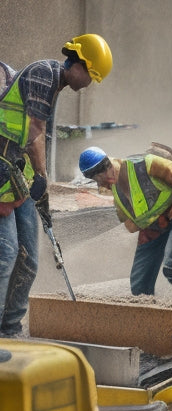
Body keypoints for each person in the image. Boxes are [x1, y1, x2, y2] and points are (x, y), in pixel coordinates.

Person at [0, 33, 112, 337]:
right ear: (80, 64)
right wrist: (41, 176)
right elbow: (35, 130)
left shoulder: (54, 83)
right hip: (2, 167)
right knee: (7, 254)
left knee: (30, 259)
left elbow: (35, 132)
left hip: (14, 170)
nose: (89, 84)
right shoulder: (43, 75)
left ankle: (10, 329)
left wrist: (38, 180)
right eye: (91, 75)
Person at [78, 144, 172, 301]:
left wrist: (167, 216)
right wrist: (151, 221)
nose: (102, 183)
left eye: (102, 176)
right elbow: (130, 225)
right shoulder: (115, 191)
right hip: (157, 224)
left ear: (108, 163)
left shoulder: (147, 164)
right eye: (96, 180)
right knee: (139, 283)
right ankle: (149, 318)